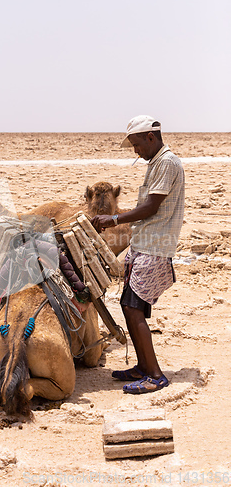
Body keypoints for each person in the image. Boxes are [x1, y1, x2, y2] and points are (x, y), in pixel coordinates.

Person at [91, 115, 185, 394]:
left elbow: (152, 207)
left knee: (133, 307)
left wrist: (114, 219)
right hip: (145, 243)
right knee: (131, 305)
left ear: (151, 138)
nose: (136, 151)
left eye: (136, 145)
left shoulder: (167, 163)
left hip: (155, 247)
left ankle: (155, 375)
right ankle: (143, 366)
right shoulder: (157, 163)